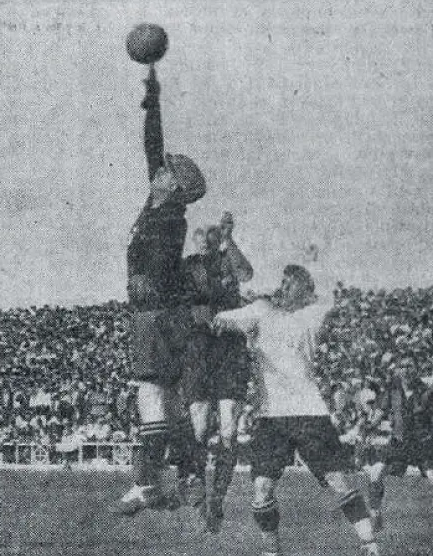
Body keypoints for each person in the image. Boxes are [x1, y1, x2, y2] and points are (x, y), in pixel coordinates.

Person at [214, 266, 379, 556]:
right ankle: (271, 551)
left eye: (290, 284)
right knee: (262, 488)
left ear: (305, 291)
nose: (283, 287)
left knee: (337, 481)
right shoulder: (260, 311)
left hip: (309, 412)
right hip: (270, 416)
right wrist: (248, 307)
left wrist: (297, 290)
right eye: (282, 282)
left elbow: (329, 294)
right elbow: (221, 319)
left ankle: (369, 544)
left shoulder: (311, 315)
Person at [113, 63, 207, 515]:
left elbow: (164, 268)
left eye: (165, 171)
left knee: (151, 392)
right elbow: (154, 145)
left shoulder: (170, 218)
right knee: (167, 398)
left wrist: (146, 283)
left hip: (156, 312)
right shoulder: (162, 203)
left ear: (173, 185)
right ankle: (190, 473)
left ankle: (149, 481)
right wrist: (152, 101)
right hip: (163, 313)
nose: (157, 170)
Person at [180, 213, 254, 532]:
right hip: (199, 348)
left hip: (229, 350)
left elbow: (246, 274)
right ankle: (199, 489)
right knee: (198, 427)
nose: (208, 244)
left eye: (214, 239)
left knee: (228, 432)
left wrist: (230, 239)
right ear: (196, 244)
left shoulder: (228, 259)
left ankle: (217, 500)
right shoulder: (188, 267)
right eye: (203, 240)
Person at [359, 368, 433, 532]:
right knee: (375, 474)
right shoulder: (392, 392)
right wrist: (369, 426)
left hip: (421, 444)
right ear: (399, 371)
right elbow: (379, 412)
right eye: (403, 367)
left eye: (410, 366)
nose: (407, 371)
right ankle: (375, 515)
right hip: (398, 443)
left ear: (415, 370)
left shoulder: (427, 392)